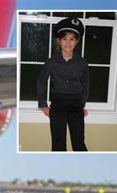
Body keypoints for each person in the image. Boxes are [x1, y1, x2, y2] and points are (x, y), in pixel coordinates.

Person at [36, 17, 89, 151]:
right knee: (58, 142)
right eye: (64, 38)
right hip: (57, 105)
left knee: (78, 142)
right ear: (58, 40)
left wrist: (81, 105)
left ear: (77, 41)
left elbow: (86, 85)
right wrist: (43, 105)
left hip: (76, 105)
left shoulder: (82, 63)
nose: (68, 43)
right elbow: (41, 82)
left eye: (72, 39)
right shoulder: (51, 62)